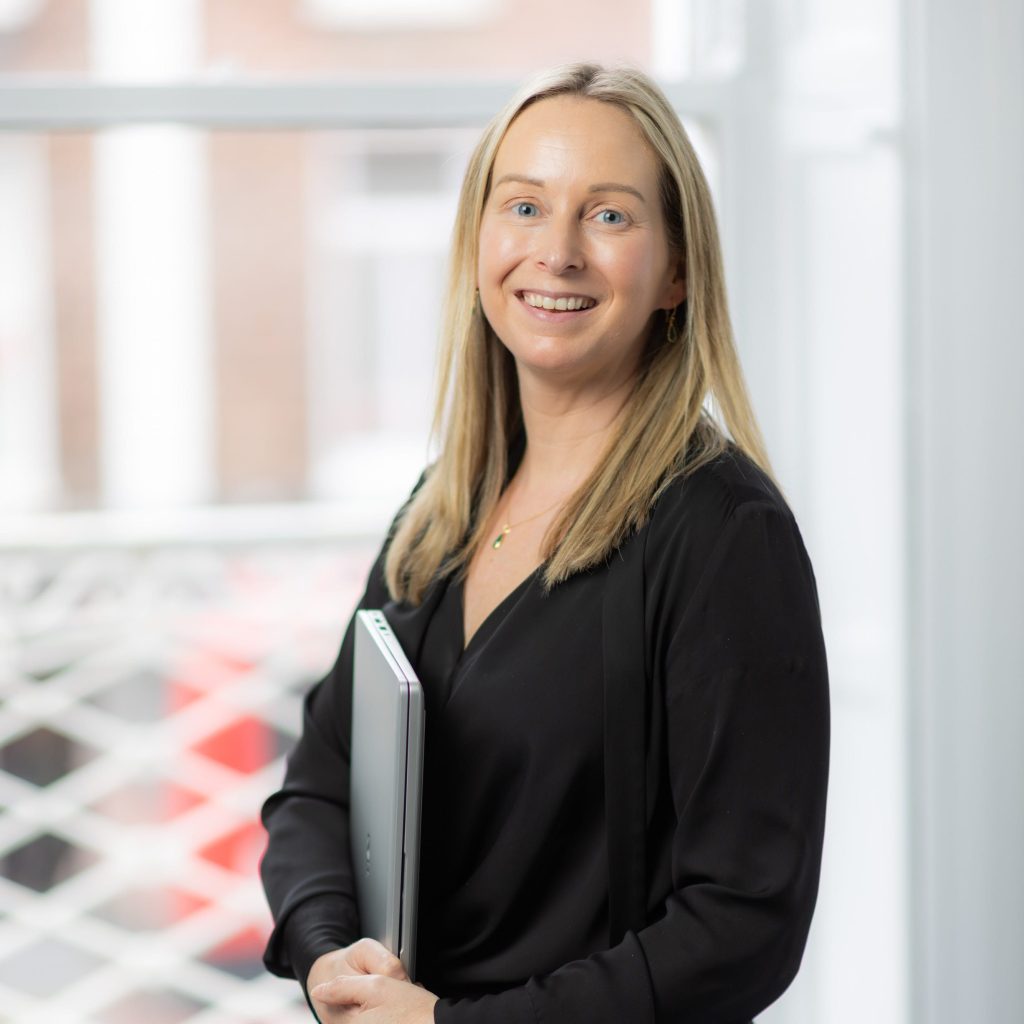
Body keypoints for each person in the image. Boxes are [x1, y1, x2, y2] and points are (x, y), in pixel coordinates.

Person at [260, 62, 829, 1024]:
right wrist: (329, 960)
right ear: (478, 240)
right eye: (523, 207)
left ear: (677, 272)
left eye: (609, 216)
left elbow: (743, 922)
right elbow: (317, 787)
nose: (556, 251)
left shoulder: (726, 535)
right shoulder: (443, 509)